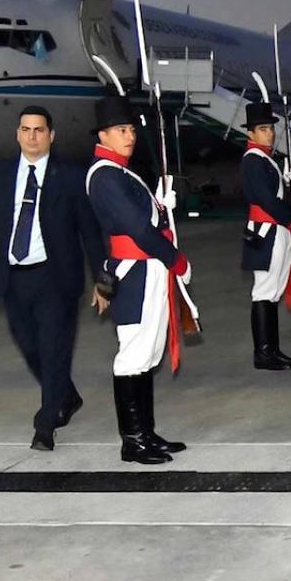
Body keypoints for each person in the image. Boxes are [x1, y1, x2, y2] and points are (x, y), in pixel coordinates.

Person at [0, 106, 107, 451]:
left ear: (50, 135)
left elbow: (90, 232)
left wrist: (102, 281)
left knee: (53, 349)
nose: (32, 136)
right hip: (12, 278)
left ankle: (46, 424)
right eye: (25, 129)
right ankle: (67, 395)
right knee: (30, 347)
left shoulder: (70, 178)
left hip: (55, 278)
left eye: (39, 130)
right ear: (17, 134)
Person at [86, 95, 190, 464]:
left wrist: (163, 207)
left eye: (130, 129)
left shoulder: (124, 171)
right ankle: (132, 440)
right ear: (103, 135)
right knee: (131, 356)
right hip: (136, 273)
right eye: (120, 130)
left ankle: (146, 433)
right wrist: (176, 259)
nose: (129, 136)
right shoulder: (104, 175)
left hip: (149, 270)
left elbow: (149, 219)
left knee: (147, 354)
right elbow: (137, 229)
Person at [240, 102, 291, 371]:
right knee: (264, 292)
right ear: (250, 133)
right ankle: (263, 353)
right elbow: (265, 200)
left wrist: (285, 180)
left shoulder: (264, 158)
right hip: (266, 232)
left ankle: (271, 350)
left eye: (270, 129)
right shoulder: (252, 159)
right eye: (262, 129)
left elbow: (273, 194)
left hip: (277, 231)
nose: (269, 134)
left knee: (272, 293)